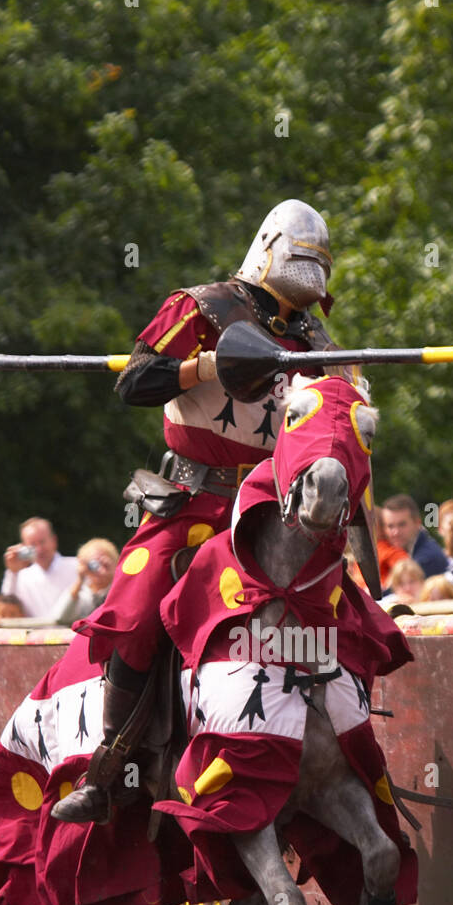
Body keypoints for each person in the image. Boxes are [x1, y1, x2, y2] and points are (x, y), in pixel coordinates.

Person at [51, 198, 347, 826]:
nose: (309, 272)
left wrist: (350, 393)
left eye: (319, 264)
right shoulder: (205, 307)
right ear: (267, 247)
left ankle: (342, 755)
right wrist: (210, 364)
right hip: (195, 502)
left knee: (351, 614)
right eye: (301, 257)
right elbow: (135, 382)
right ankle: (112, 766)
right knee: (134, 611)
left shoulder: (314, 340)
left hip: (272, 507)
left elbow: (337, 423)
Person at [1, 517, 76, 619]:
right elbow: (6, 606)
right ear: (24, 547)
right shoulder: (20, 576)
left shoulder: (77, 567)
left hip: (73, 634)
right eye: (32, 544)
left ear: (54, 540)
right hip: (35, 634)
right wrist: (12, 572)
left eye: (42, 542)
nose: (39, 549)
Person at [381, 495, 449, 578]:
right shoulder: (390, 552)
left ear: (417, 523)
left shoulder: (427, 559)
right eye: (390, 526)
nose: (396, 532)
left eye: (402, 524)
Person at [54, 539, 120, 626]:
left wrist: (115, 574)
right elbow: (61, 618)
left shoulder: (120, 588)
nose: (98, 567)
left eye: (104, 562)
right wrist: (80, 580)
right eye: (93, 562)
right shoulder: (81, 592)